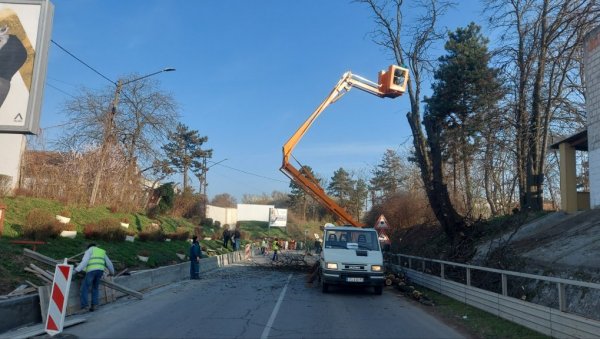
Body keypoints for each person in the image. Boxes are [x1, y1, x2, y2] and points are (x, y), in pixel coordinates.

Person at [75, 243, 115, 312]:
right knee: (95, 288)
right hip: (100, 271)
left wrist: (76, 270)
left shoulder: (89, 251)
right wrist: (112, 272)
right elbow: (109, 263)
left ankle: (85, 307)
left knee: (85, 288)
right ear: (95, 246)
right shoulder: (102, 251)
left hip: (91, 272)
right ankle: (94, 305)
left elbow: (85, 262)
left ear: (88, 247)